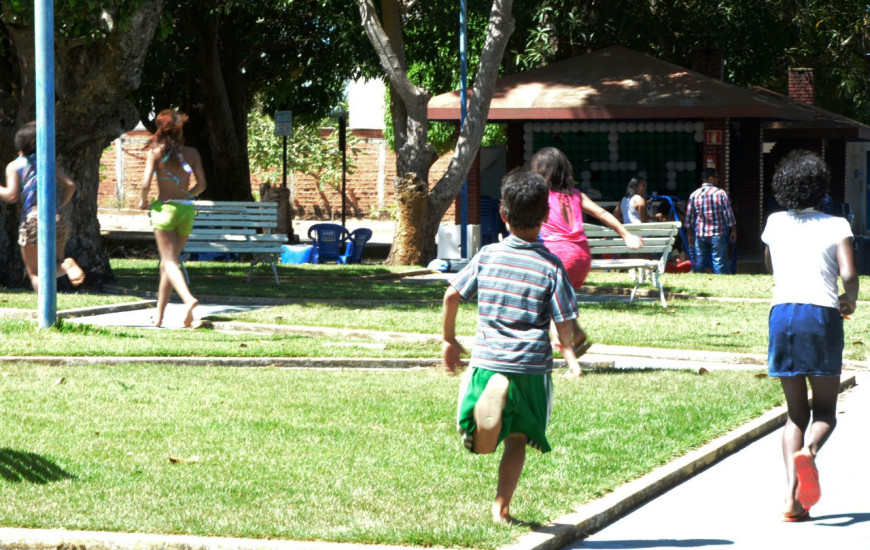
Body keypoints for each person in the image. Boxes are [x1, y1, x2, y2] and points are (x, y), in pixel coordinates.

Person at [442, 170, 582, 524]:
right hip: (532, 368)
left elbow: (451, 294)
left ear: (503, 214)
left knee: (474, 440)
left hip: (489, 360)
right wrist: (569, 351)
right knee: (518, 439)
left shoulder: (488, 255)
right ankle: (501, 508)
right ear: (546, 217)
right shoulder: (552, 266)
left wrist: (449, 339)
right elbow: (565, 326)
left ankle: (486, 427)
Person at [761, 150, 858, 522]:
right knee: (827, 412)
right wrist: (849, 300)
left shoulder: (773, 222)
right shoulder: (837, 225)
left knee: (795, 416)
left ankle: (792, 498)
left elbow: (771, 264)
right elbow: (849, 274)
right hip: (820, 315)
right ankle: (810, 454)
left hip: (782, 315)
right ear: (821, 187)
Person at [531, 147, 643, 373]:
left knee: (550, 310)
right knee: (559, 303)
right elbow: (602, 213)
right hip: (581, 256)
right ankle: (578, 332)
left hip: (557, 255)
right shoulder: (576, 195)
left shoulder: (542, 196)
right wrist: (626, 234)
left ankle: (572, 363)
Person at [138, 109, 207, 328]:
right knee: (168, 264)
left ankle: (188, 299)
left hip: (165, 210)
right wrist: (187, 195)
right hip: (186, 211)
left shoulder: (155, 152)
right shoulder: (193, 153)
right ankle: (159, 317)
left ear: (160, 129)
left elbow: (146, 184)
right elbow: (202, 185)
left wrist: (143, 200)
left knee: (168, 261)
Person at [0, 121, 85, 292]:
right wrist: (58, 204)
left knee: (35, 273)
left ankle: (43, 317)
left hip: (31, 220)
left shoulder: (15, 166)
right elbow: (70, 185)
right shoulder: (48, 163)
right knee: (56, 264)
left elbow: (11, 195)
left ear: (19, 148)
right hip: (56, 217)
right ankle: (67, 264)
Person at [685, 168, 736, 274]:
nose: (718, 180)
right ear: (711, 179)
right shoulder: (720, 193)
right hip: (717, 233)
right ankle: (719, 286)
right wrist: (733, 230)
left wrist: (690, 234)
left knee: (700, 263)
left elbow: (689, 217)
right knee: (719, 263)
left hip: (700, 234)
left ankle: (698, 286)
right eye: (717, 177)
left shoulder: (694, 195)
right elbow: (728, 214)